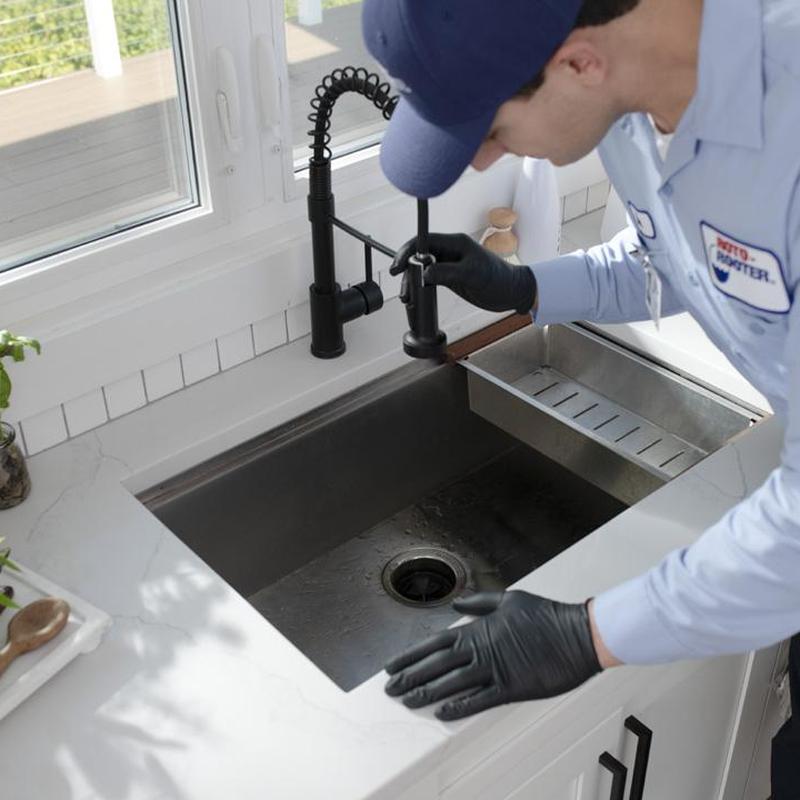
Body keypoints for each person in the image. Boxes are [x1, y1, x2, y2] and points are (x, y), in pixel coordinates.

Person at [362, 0, 800, 793]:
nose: (484, 163)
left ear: (577, 63)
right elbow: (679, 253)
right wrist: (526, 284)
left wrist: (589, 634)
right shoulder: (635, 103)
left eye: (489, 132)